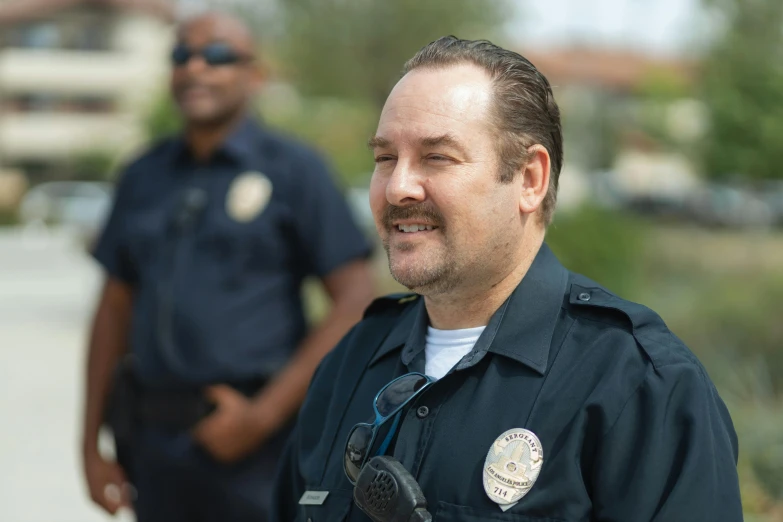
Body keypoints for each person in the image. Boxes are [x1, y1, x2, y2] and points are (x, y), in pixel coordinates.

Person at [272, 36, 743, 521]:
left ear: (530, 179)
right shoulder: (350, 365)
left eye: (438, 157)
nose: (398, 186)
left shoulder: (639, 387)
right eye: (385, 158)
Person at [81, 11, 375, 522]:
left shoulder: (295, 170)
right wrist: (89, 445)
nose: (195, 68)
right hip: (153, 448)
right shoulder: (142, 174)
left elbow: (356, 298)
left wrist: (261, 417)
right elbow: (113, 307)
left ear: (254, 75)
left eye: (216, 55)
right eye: (181, 55)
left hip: (258, 450)